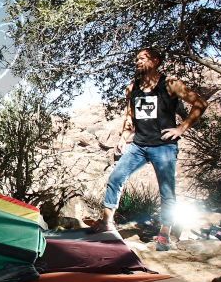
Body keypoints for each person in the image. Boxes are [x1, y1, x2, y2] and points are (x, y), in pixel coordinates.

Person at [88, 48, 207, 251]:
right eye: (136, 59)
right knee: (116, 178)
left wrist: (181, 128)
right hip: (139, 146)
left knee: (166, 191)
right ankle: (107, 223)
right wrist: (124, 137)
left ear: (156, 60)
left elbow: (200, 103)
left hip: (164, 147)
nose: (138, 62)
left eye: (142, 58)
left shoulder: (170, 84)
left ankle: (164, 233)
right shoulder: (132, 87)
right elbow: (130, 116)